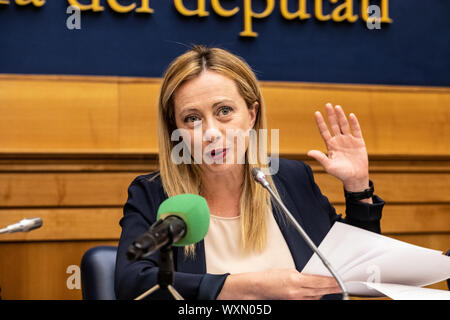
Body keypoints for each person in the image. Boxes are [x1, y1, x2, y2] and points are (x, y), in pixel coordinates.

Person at [114, 45, 385, 300]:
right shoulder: (153, 194)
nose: (210, 132)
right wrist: (252, 287)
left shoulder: (291, 179)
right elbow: (132, 283)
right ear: (176, 129)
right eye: (192, 118)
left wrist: (357, 184)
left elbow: (356, 267)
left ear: (252, 115)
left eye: (224, 111)